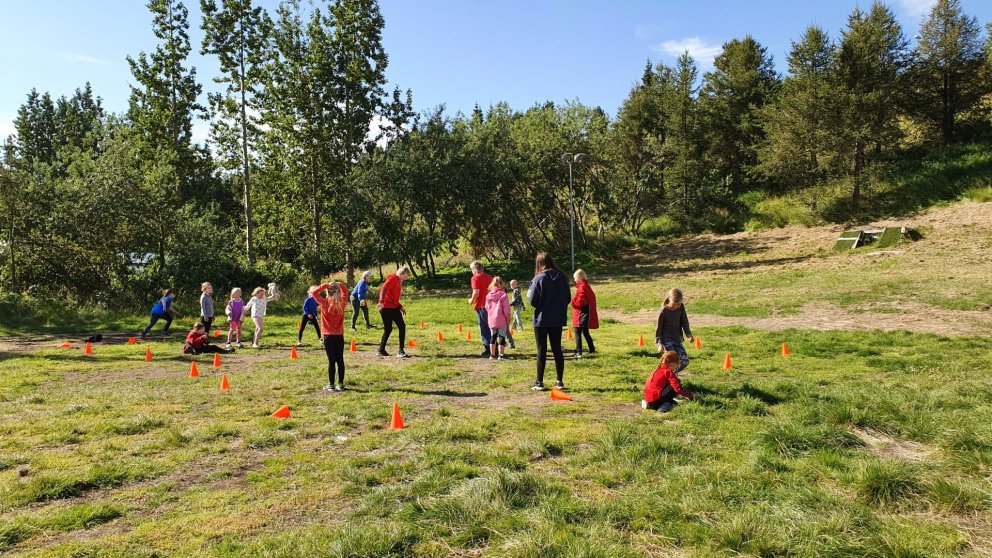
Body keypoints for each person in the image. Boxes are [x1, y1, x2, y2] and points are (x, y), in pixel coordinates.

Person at [528, 252, 571, 391]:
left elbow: (532, 300)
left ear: (539, 263)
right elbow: (568, 299)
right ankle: (559, 381)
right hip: (557, 318)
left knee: (542, 350)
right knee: (557, 349)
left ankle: (539, 382)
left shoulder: (538, 278)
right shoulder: (563, 278)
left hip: (541, 319)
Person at [312, 281, 349, 391]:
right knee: (340, 360)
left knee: (331, 361)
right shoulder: (342, 303)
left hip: (328, 335)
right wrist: (340, 284)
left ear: (328, 293)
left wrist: (325, 285)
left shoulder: (324, 303)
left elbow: (314, 293)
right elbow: (346, 291)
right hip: (339, 335)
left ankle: (331, 385)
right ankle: (340, 384)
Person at [654, 288, 693, 372]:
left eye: (679, 304)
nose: (677, 306)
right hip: (666, 341)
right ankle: (668, 380)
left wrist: (689, 335)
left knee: (684, 361)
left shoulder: (681, 307)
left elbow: (684, 321)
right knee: (671, 362)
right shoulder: (663, 311)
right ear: (669, 300)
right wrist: (659, 344)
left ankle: (670, 375)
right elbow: (658, 329)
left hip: (677, 339)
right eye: (675, 304)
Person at [377, 266, 410, 358]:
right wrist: (381, 302)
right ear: (401, 274)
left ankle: (381, 350)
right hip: (387, 308)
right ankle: (400, 351)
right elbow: (384, 288)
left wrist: (400, 306)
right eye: (405, 277)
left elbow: (392, 297)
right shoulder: (394, 278)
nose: (405, 279)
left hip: (391, 307)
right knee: (401, 326)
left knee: (388, 329)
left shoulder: (397, 281)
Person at [570, 269, 599, 358]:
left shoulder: (582, 287)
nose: (574, 280)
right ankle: (592, 349)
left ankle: (579, 352)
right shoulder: (586, 286)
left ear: (579, 277)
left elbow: (581, 301)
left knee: (577, 332)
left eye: (575, 278)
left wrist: (572, 301)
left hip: (581, 314)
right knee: (585, 332)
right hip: (586, 313)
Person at [468, 261, 494, 357]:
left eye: (471, 270)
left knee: (484, 327)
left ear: (474, 269)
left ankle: (488, 349)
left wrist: (471, 300)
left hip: (482, 305)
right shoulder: (490, 277)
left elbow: (476, 292)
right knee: (492, 327)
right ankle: (496, 347)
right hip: (492, 305)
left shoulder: (475, 278)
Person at [485, 276, 512, 360]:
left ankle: (492, 355)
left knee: (493, 336)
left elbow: (486, 307)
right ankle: (501, 355)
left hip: (492, 319)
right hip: (501, 319)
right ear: (501, 284)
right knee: (502, 337)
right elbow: (506, 308)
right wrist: (508, 318)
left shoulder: (488, 295)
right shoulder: (503, 294)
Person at [244, 285, 278, 349]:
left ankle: (253, 342)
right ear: (256, 293)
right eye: (260, 294)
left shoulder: (264, 299)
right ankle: (255, 344)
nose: (262, 295)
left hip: (260, 316)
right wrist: (244, 310)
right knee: (260, 328)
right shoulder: (254, 298)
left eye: (263, 294)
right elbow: (247, 306)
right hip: (255, 315)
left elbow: (272, 297)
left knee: (257, 329)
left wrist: (273, 290)